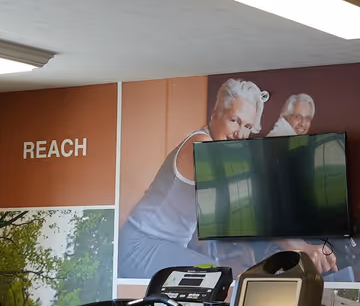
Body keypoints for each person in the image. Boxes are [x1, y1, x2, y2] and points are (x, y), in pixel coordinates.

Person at [117, 78, 336, 279]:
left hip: (168, 246)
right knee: (223, 280)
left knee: (228, 279)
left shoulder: (222, 149)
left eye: (248, 127)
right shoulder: (201, 145)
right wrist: (300, 246)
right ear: (215, 115)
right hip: (141, 246)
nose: (239, 134)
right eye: (234, 120)